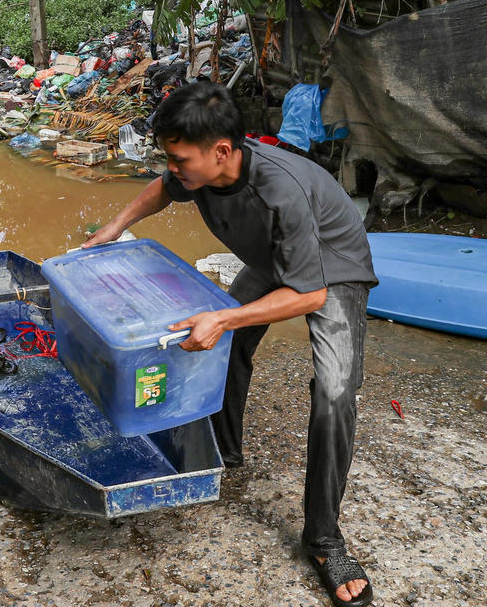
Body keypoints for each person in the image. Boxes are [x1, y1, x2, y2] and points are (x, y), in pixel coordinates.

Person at [83, 80, 377, 607]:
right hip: (273, 259)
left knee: (334, 391)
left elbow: (308, 295)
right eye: (168, 157)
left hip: (331, 270)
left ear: (222, 151)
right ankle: (224, 451)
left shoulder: (278, 190)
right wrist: (112, 228)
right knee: (231, 343)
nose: (172, 168)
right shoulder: (198, 172)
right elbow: (160, 189)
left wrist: (223, 316)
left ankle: (325, 540)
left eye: (178, 158)